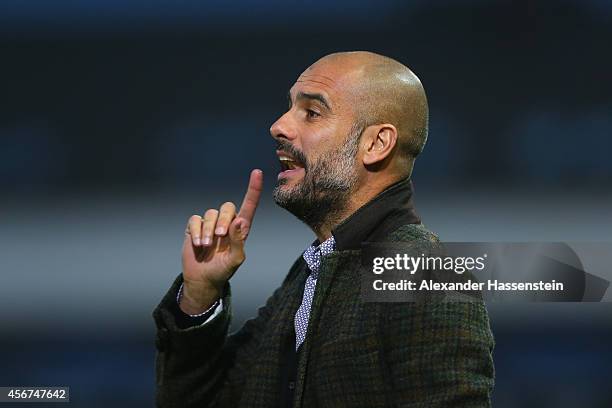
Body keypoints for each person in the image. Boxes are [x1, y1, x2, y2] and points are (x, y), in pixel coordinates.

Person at [153, 51, 495, 407]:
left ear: (376, 144)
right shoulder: (308, 275)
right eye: (289, 107)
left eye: (312, 113)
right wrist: (200, 295)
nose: (278, 126)